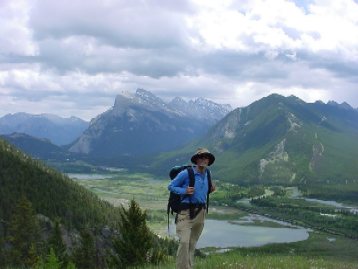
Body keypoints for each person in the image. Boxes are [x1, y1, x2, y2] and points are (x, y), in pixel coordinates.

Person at [168, 147, 216, 269]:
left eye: (206, 157)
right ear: (196, 160)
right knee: (184, 242)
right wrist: (184, 190)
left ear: (209, 160)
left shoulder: (208, 174)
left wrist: (211, 189)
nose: (203, 159)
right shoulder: (186, 173)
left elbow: (203, 191)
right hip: (186, 213)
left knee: (191, 244)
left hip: (201, 213)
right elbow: (171, 186)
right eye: (200, 157)